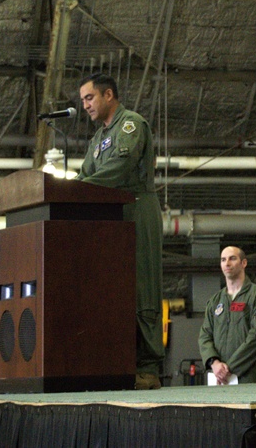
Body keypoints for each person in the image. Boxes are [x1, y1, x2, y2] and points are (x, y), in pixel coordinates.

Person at [76, 73, 164, 390]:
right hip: (110, 218)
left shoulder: (131, 125)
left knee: (142, 286)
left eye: (89, 97)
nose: (85, 105)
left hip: (136, 209)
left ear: (108, 94)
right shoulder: (98, 140)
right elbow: (87, 173)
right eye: (83, 99)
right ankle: (119, 361)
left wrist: (79, 190)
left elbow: (118, 169)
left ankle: (148, 367)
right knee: (115, 290)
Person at [198, 246, 256, 384]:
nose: (227, 263)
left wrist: (229, 368)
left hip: (247, 376)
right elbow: (205, 335)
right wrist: (214, 363)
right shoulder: (215, 301)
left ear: (243, 263)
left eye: (232, 258)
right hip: (218, 379)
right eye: (223, 260)